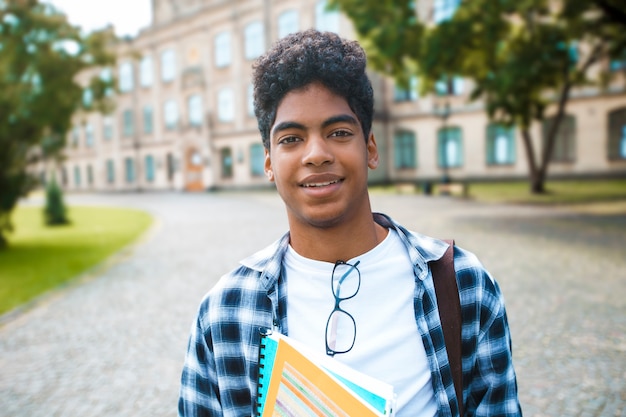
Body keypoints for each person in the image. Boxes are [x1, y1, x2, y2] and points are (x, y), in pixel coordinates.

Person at [178, 29, 522, 417]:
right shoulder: (224, 312)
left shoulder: (462, 286)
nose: (316, 154)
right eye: (291, 139)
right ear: (269, 162)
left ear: (370, 148)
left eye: (338, 133)